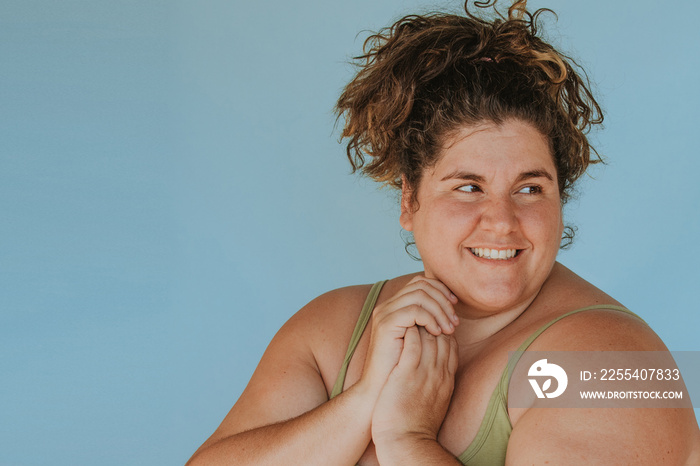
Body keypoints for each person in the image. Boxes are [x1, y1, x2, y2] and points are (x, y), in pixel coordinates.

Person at [187, 1, 700, 464]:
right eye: (468, 187)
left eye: (530, 189)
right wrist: (364, 400)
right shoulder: (332, 330)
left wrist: (408, 439)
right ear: (409, 201)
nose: (501, 221)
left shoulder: (618, 369)